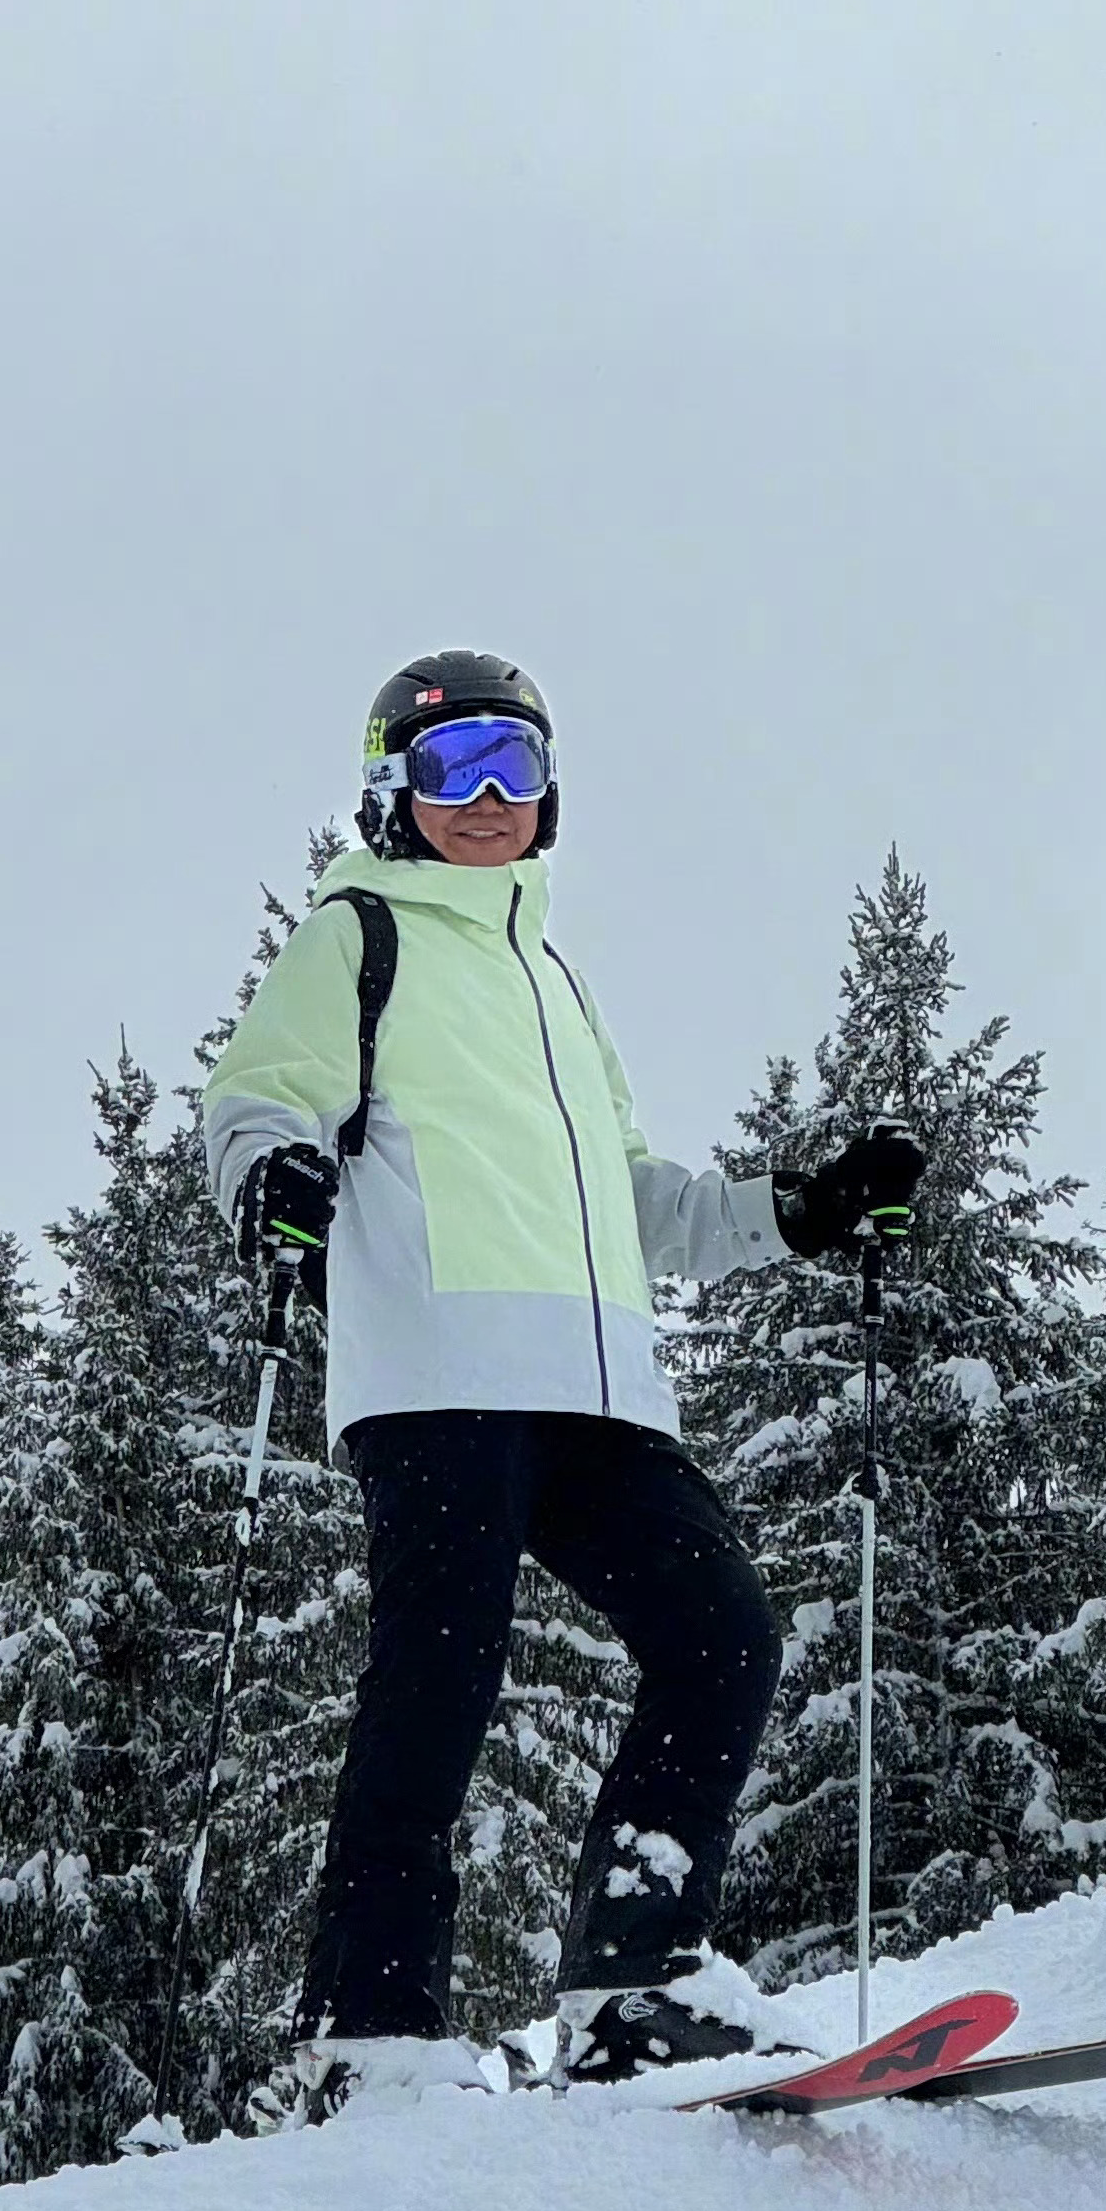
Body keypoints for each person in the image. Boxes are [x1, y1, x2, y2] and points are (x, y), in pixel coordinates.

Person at [201, 647, 921, 2106]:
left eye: (514, 767)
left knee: (722, 1634)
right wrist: (272, 1172)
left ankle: (632, 1988)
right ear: (392, 791)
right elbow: (257, 1092)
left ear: (550, 795)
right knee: (441, 1682)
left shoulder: (554, 981)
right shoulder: (360, 936)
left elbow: (641, 1197)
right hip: (438, 1372)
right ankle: (378, 2034)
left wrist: (802, 1209)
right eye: (452, 768)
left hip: (598, 1394)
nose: (486, 799)